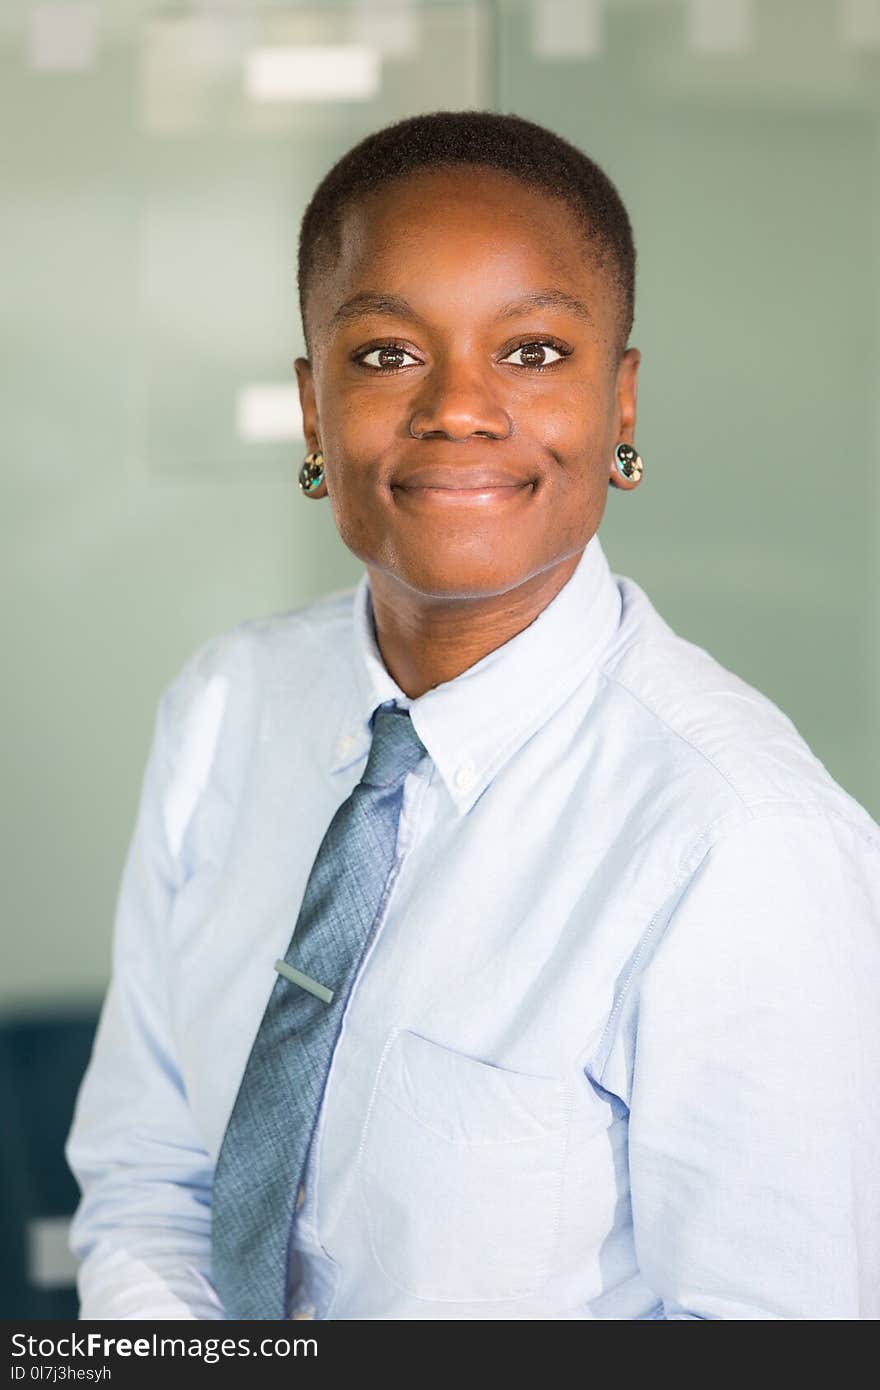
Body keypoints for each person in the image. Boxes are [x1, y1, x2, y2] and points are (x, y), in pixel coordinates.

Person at [65, 109, 880, 1321]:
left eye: (535, 353)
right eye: (387, 354)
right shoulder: (226, 707)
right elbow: (151, 1176)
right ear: (310, 408)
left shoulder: (740, 840)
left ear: (621, 404)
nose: (458, 407)